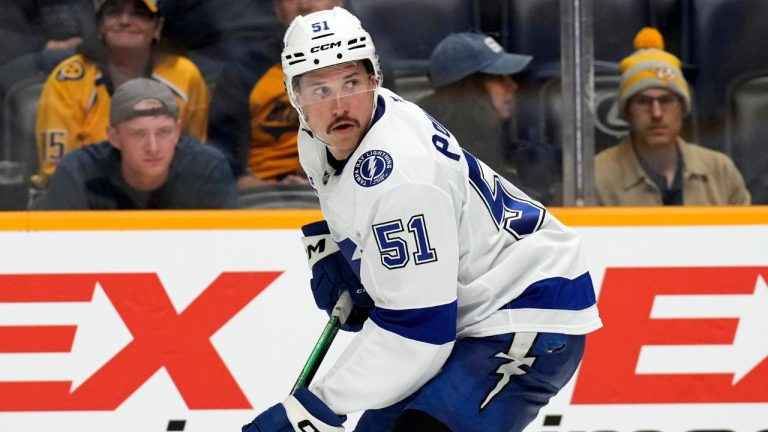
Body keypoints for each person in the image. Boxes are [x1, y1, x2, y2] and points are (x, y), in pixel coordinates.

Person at [242, 7, 602, 432]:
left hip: (527, 311)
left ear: (375, 79)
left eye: (351, 82)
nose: (339, 104)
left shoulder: (401, 175)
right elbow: (353, 201)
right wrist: (349, 256)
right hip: (464, 308)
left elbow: (418, 333)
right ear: (294, 98)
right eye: (319, 89)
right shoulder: (319, 137)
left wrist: (314, 409)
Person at [32, 0, 210, 190]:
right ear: (100, 24)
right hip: (84, 199)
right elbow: (58, 173)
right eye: (114, 12)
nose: (125, 20)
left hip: (166, 198)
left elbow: (194, 156)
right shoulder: (68, 79)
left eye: (139, 14)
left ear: (157, 27)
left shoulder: (185, 74)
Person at [594, 27, 751, 206]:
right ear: (626, 112)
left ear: (683, 107)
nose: (656, 113)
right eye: (643, 102)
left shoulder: (721, 170)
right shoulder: (597, 177)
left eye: (667, 100)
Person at [36, 78, 236, 210]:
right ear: (114, 137)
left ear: (177, 131)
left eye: (163, 132)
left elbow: (227, 252)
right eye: (139, 134)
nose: (153, 147)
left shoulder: (208, 169)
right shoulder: (77, 173)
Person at [208, 0, 344, 189]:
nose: (304, 5)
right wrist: (259, 187)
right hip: (260, 199)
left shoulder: (367, 70)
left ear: (338, 3)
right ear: (277, 9)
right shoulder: (245, 72)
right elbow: (222, 158)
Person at [418, 32, 561, 205]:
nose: (512, 86)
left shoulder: (505, 146)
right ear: (469, 89)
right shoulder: (436, 156)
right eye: (498, 78)